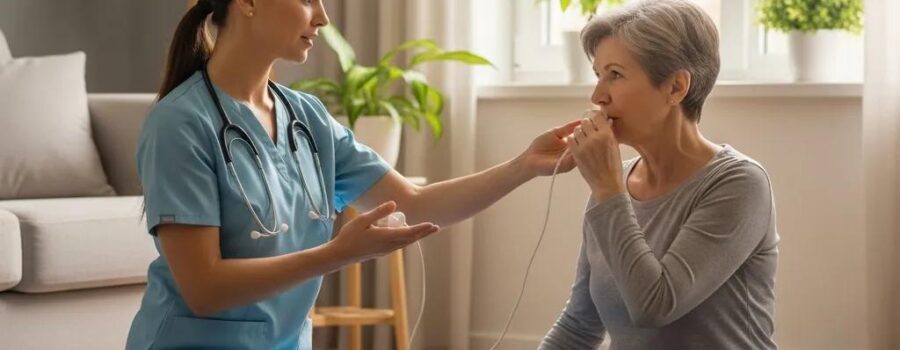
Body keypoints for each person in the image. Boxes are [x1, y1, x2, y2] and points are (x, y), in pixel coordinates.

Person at [125, 0, 581, 349]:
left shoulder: (306, 116)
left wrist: (525, 166)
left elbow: (415, 203)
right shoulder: (180, 124)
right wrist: (337, 254)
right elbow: (203, 288)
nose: (322, 17)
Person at [539, 1, 779, 349]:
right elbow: (579, 327)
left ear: (676, 87)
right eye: (597, 75)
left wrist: (607, 190)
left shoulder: (740, 183)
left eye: (615, 75)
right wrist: (608, 189)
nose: (597, 96)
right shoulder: (612, 187)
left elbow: (655, 306)